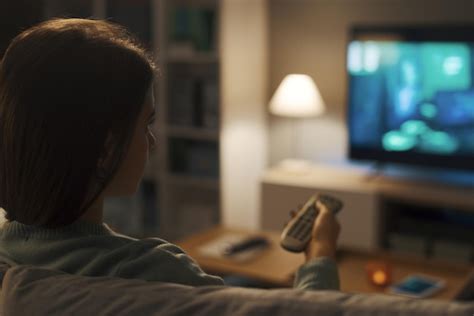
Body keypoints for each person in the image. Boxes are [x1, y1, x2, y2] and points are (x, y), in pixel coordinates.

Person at [0, 18, 341, 290]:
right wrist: (320, 254)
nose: (152, 142)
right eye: (146, 124)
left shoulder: (8, 256)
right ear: (105, 148)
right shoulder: (154, 271)